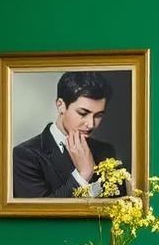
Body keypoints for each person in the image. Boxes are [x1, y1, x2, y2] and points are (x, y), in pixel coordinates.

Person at [12, 70, 123, 199]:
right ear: (61, 106)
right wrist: (82, 175)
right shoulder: (25, 155)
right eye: (83, 113)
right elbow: (40, 214)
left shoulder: (106, 151)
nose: (91, 124)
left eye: (98, 115)